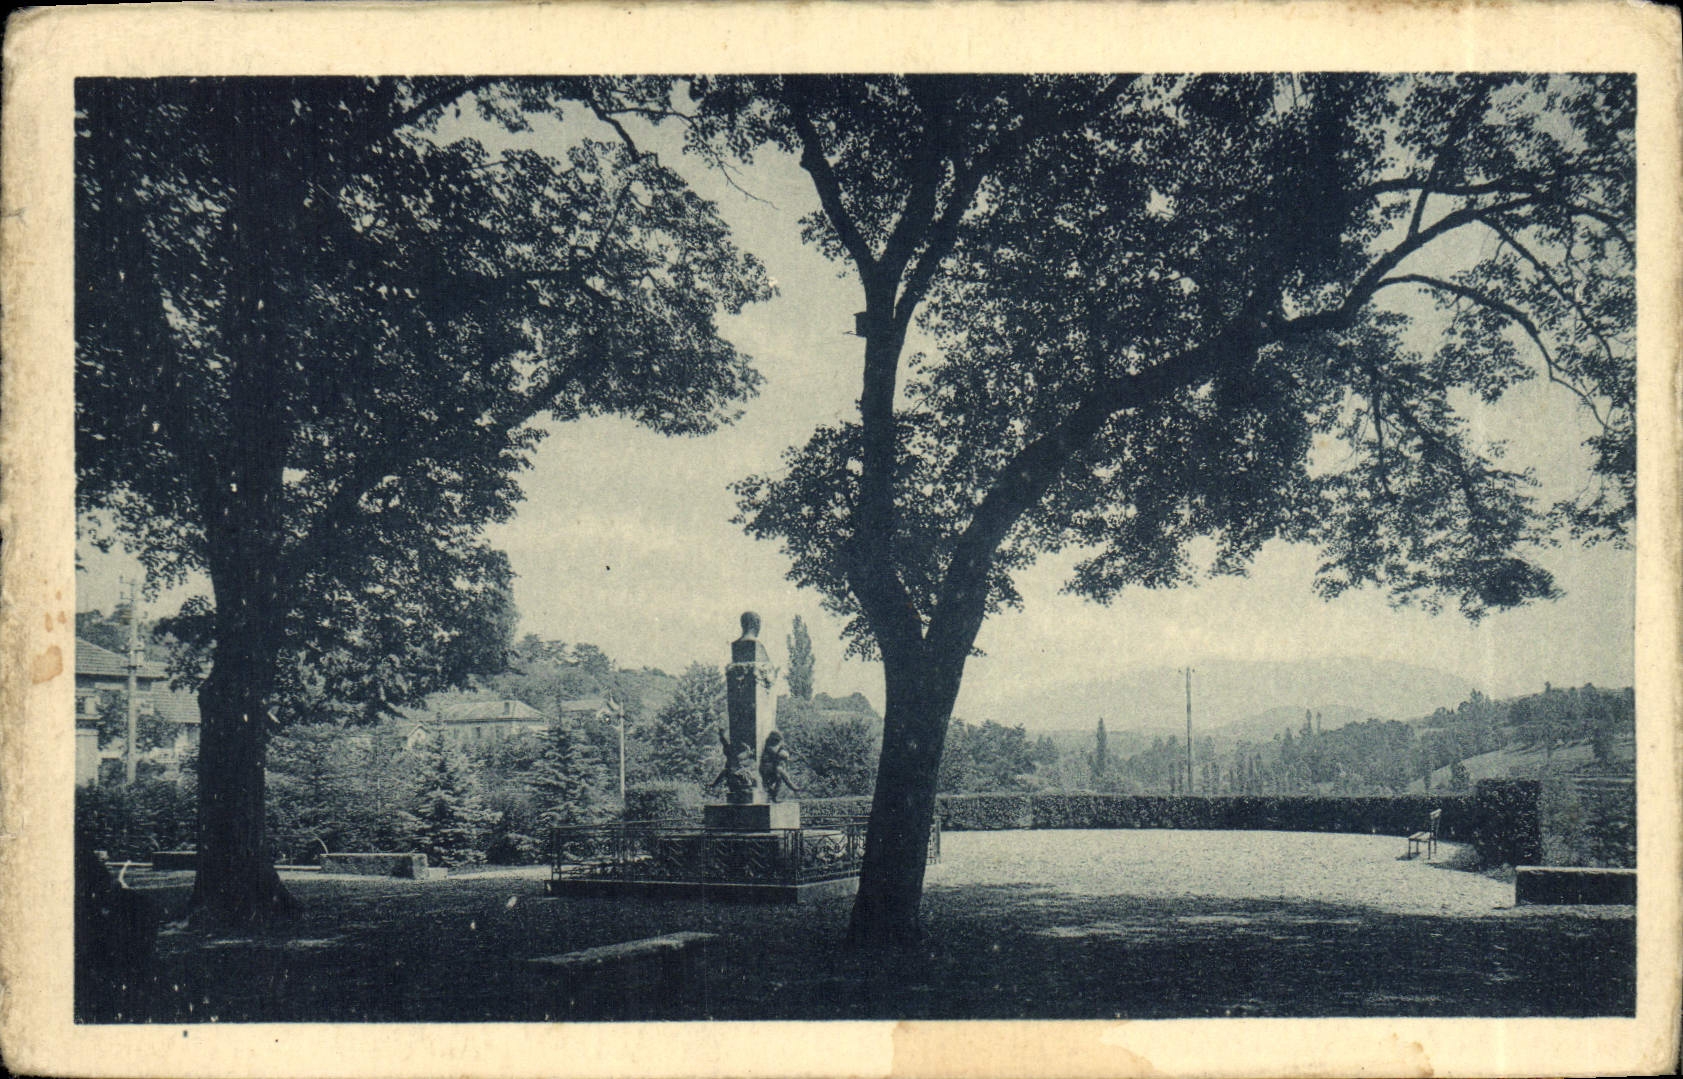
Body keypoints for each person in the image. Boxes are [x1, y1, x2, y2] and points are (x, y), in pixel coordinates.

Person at [759, 730, 801, 802]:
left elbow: (784, 755)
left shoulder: (775, 747)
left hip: (773, 769)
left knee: (779, 779)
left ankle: (774, 795)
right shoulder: (769, 747)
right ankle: (792, 786)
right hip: (766, 768)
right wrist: (780, 748)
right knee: (780, 771)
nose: (777, 742)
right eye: (776, 741)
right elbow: (781, 754)